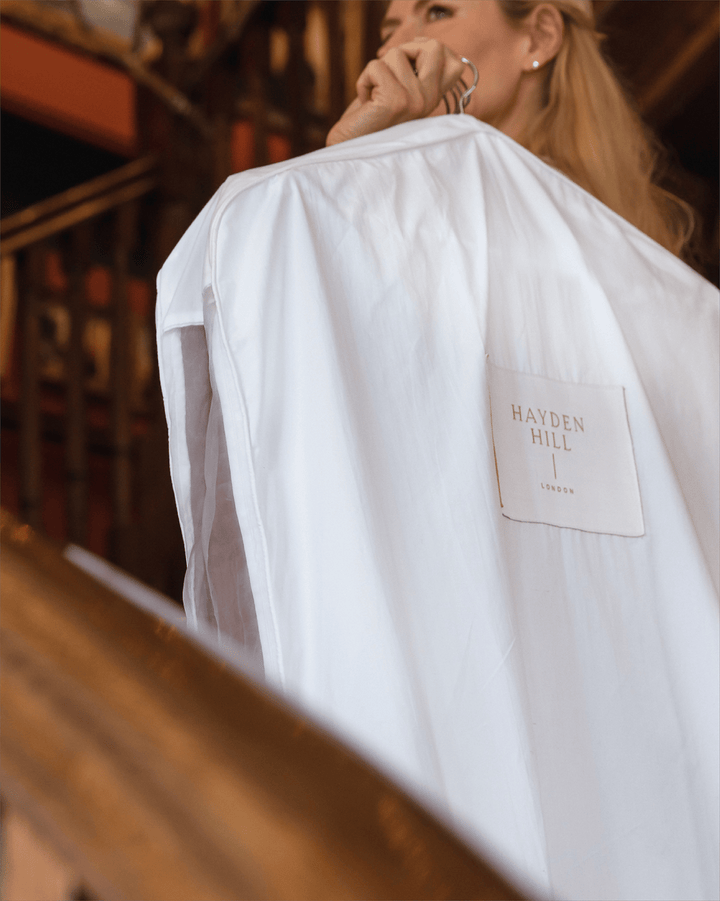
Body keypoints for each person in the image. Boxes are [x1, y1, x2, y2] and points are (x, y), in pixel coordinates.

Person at [156, 2, 718, 898]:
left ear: (538, 38)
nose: (402, 31)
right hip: (456, 669)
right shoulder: (372, 241)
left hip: (618, 696)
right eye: (390, 18)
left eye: (439, 8)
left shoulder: (646, 290)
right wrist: (353, 160)